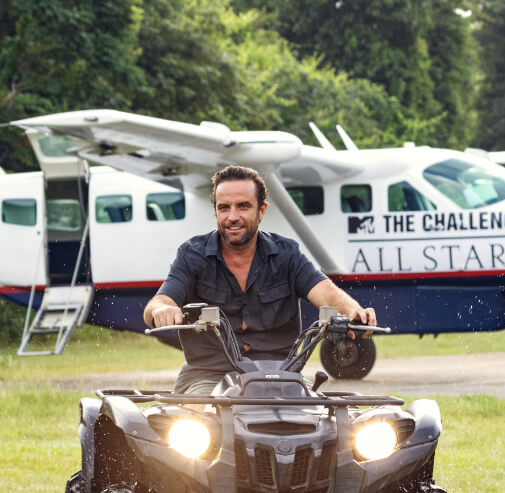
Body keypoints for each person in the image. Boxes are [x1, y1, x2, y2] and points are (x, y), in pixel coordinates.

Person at [144, 165, 378, 394]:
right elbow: (158, 302)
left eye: (243, 206)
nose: (232, 216)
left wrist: (354, 311)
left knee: (322, 422)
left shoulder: (287, 255)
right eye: (224, 207)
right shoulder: (191, 255)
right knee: (197, 424)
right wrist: (162, 309)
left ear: (262, 210)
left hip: (282, 377)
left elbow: (325, 291)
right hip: (207, 377)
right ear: (215, 211)